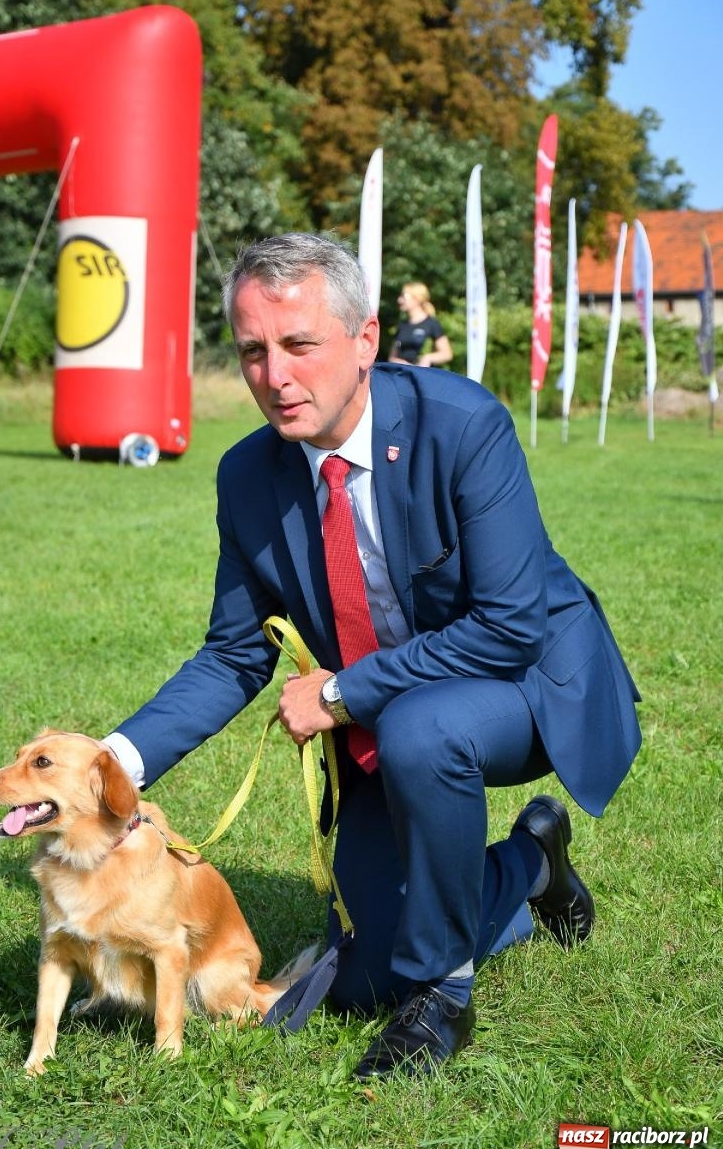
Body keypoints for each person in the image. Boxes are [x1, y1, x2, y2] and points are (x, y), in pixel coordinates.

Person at [105, 233, 641, 1079]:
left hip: (527, 683)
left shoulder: (464, 425)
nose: (274, 375)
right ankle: (534, 865)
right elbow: (234, 655)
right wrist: (111, 763)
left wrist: (347, 691)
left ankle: (443, 1000)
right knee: (365, 974)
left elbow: (509, 624)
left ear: (366, 341)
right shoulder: (247, 476)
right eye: (252, 351)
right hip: (388, 713)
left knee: (425, 732)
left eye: (299, 345)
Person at [388, 281, 453, 368]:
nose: (399, 300)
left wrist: (428, 358)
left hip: (422, 376)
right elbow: (392, 357)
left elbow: (447, 354)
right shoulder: (402, 326)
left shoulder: (432, 324)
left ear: (417, 299)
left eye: (404, 296)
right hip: (402, 375)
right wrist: (402, 363)